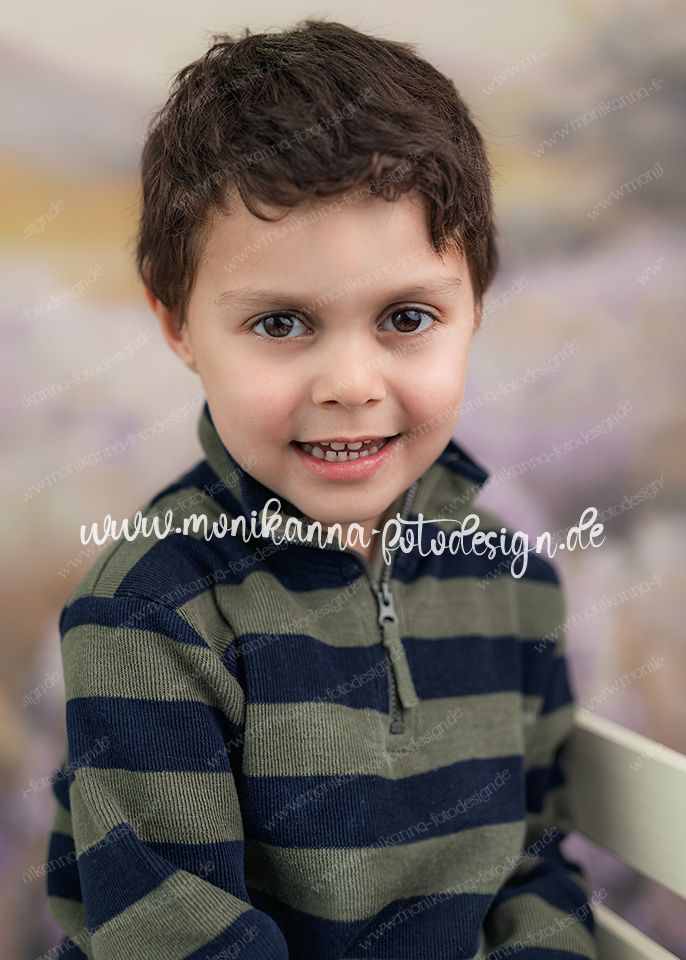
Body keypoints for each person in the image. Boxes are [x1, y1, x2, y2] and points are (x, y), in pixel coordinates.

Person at [45, 18, 598, 959]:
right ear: (177, 323)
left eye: (406, 317)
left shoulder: (514, 585)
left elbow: (531, 863)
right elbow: (179, 932)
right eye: (281, 323)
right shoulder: (151, 611)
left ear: (475, 305)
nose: (349, 384)